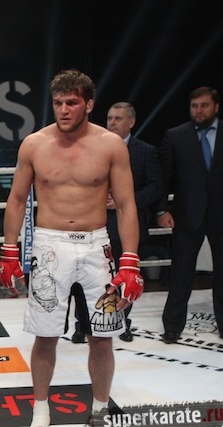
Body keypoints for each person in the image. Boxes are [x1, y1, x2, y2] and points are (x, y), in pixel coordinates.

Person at [0, 70, 144, 426]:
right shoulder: (34, 144)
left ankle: (99, 409)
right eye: (58, 103)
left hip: (97, 248)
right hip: (50, 246)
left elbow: (126, 204)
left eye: (72, 102)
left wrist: (130, 260)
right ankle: (41, 410)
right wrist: (8, 250)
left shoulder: (111, 145)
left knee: (102, 338)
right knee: (46, 337)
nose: (63, 110)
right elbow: (17, 200)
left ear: (89, 105)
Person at [71, 102, 162, 343]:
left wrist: (126, 199)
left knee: (125, 276)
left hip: (127, 224)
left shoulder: (145, 151)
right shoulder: (92, 147)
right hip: (93, 223)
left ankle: (122, 322)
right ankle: (82, 324)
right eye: (110, 118)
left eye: (118, 119)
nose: (111, 123)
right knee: (84, 276)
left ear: (131, 122)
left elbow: (156, 186)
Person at [156, 86, 223, 344]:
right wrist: (161, 209)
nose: (199, 110)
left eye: (204, 105)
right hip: (186, 216)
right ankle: (172, 327)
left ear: (216, 107)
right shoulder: (176, 136)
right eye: (194, 106)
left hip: (220, 215)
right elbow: (163, 177)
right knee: (180, 274)